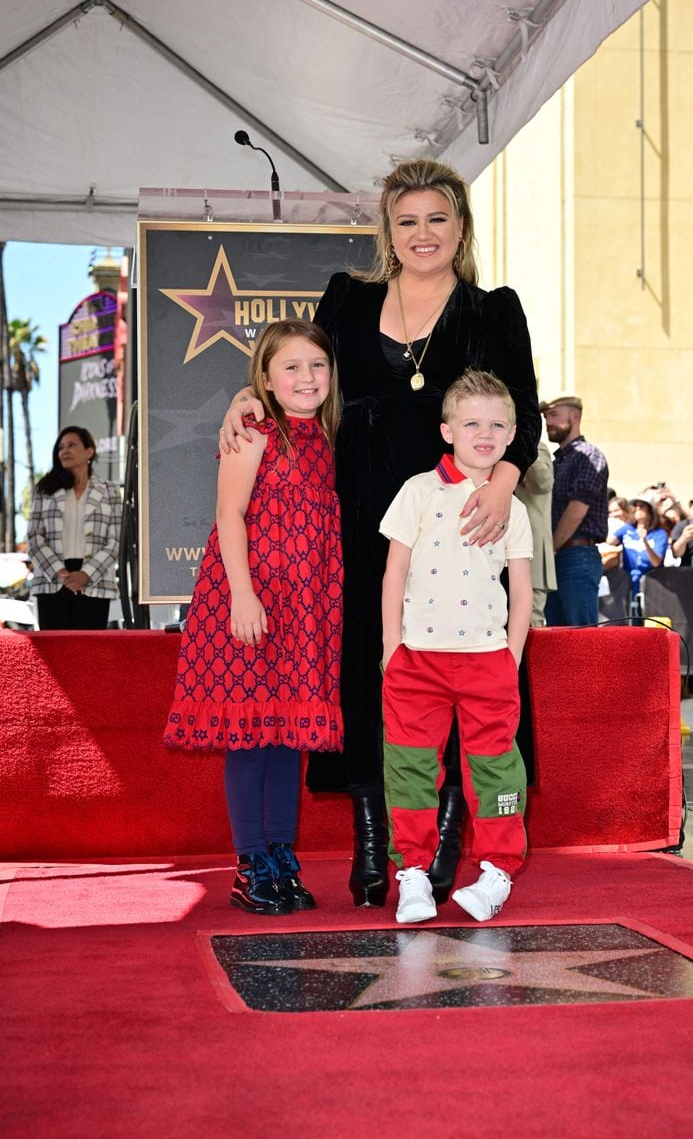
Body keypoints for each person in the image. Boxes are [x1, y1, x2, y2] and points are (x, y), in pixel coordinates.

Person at [221, 158, 540, 909]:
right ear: (388, 233)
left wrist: (499, 485)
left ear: (460, 228)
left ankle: (450, 853)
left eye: (437, 219)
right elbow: (293, 370)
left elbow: (518, 409)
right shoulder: (347, 296)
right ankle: (380, 852)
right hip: (356, 517)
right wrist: (244, 391)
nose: (422, 233)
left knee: (470, 680)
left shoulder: (494, 310)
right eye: (407, 221)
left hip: (463, 521)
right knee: (369, 675)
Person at [164, 320, 343, 916]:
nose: (306, 377)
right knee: (249, 735)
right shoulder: (253, 431)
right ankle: (250, 863)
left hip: (303, 610)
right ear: (263, 378)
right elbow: (229, 512)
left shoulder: (324, 435)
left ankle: (279, 856)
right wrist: (243, 594)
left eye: (317, 365)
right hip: (247, 600)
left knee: (288, 738)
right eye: (290, 366)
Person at [380, 371, 533, 924]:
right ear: (447, 430)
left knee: (496, 768)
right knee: (411, 766)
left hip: (488, 661)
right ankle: (414, 877)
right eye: (471, 423)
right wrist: (391, 647)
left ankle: (496, 873)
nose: (484, 433)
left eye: (497, 424)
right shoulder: (418, 491)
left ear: (513, 433)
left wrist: (511, 656)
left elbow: (521, 587)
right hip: (415, 660)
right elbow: (394, 570)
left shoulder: (511, 507)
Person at [27, 426, 122, 629]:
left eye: (72, 445)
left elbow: (117, 540)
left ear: (90, 451)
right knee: (54, 655)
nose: (65, 451)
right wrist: (62, 573)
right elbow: (34, 537)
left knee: (88, 655)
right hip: (52, 581)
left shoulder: (109, 490)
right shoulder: (44, 489)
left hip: (95, 581)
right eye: (60, 447)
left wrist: (85, 574)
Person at [540, 393, 608, 626]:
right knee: (556, 638)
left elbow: (577, 510)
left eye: (554, 415)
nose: (548, 421)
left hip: (576, 555)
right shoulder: (557, 460)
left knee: (582, 638)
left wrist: (550, 548)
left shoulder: (590, 455)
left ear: (575, 416)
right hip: (562, 555)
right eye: (546, 416)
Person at [516, 437, 556, 626]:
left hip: (531, 555)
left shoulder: (536, 447)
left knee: (530, 625)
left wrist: (523, 439)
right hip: (497, 552)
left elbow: (542, 483)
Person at [607, 494, 668, 600]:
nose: (637, 508)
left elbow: (656, 562)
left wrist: (644, 541)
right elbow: (608, 543)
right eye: (635, 506)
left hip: (651, 581)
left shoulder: (659, 534)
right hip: (627, 580)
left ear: (650, 511)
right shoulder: (626, 529)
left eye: (641, 506)